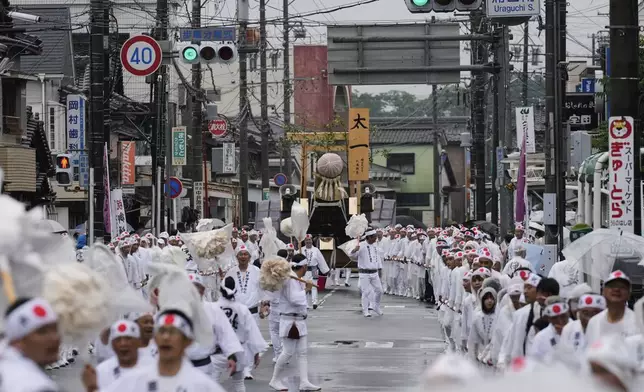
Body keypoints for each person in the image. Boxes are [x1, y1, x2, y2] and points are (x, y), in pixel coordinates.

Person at [84, 310, 226, 392]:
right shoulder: (134, 379)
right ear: (154, 338)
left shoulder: (203, 385)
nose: (166, 338)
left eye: (173, 332)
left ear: (187, 341)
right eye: (162, 331)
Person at [269, 254, 320, 391]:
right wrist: (307, 289)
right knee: (287, 352)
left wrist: (305, 288)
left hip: (299, 320)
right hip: (290, 321)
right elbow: (294, 299)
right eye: (306, 266)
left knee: (302, 352)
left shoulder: (296, 278)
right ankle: (274, 380)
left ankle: (304, 382)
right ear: (303, 267)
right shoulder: (290, 279)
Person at [215, 276, 267, 392]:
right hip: (237, 350)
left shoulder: (213, 308)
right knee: (238, 383)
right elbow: (252, 333)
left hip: (217, 351)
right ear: (235, 290)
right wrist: (255, 353)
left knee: (213, 382)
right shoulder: (242, 309)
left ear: (221, 290)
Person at [0, 297, 61, 391]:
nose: (55, 338)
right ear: (17, 342)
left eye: (55, 329)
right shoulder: (34, 386)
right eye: (42, 332)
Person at [225, 244, 263, 379]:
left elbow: (262, 288)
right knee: (238, 340)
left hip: (252, 310)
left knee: (251, 340)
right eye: (240, 254)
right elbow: (225, 290)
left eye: (245, 254)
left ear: (250, 257)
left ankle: (248, 368)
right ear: (237, 257)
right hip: (236, 312)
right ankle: (241, 366)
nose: (243, 257)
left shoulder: (257, 271)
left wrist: (265, 303)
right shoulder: (230, 271)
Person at [89, 319, 154, 389]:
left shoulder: (154, 367)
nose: (123, 344)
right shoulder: (102, 371)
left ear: (139, 342)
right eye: (118, 340)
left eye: (128, 338)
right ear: (112, 344)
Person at [585, 270, 638, 344]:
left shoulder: (638, 322)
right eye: (612, 286)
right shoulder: (594, 322)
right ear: (603, 292)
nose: (616, 289)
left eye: (622, 287)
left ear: (629, 294)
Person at [350, 228, 384, 318]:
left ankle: (376, 306)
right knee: (366, 292)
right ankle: (365, 311)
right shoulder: (360, 246)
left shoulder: (375, 246)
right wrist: (354, 250)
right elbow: (352, 256)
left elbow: (378, 259)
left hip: (374, 273)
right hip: (364, 273)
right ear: (369, 237)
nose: (375, 239)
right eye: (374, 237)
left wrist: (380, 270)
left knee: (380, 291)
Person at [527, 296, 570, 361]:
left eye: (563, 316)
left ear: (568, 313)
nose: (560, 321)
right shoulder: (541, 338)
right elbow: (534, 364)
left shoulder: (580, 329)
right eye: (554, 318)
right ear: (548, 318)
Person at [467, 287, 497, 364]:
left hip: (493, 358)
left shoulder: (498, 317)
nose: (489, 301)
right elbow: (473, 340)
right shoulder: (477, 317)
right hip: (479, 357)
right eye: (486, 298)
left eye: (492, 298)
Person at [302, 234, 327, 309]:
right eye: (306, 240)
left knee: (314, 286)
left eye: (309, 240)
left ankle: (314, 302)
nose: (308, 241)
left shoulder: (316, 250)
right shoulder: (301, 249)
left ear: (312, 240)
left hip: (314, 270)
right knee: (305, 287)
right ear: (304, 241)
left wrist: (325, 270)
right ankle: (306, 303)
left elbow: (321, 260)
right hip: (304, 270)